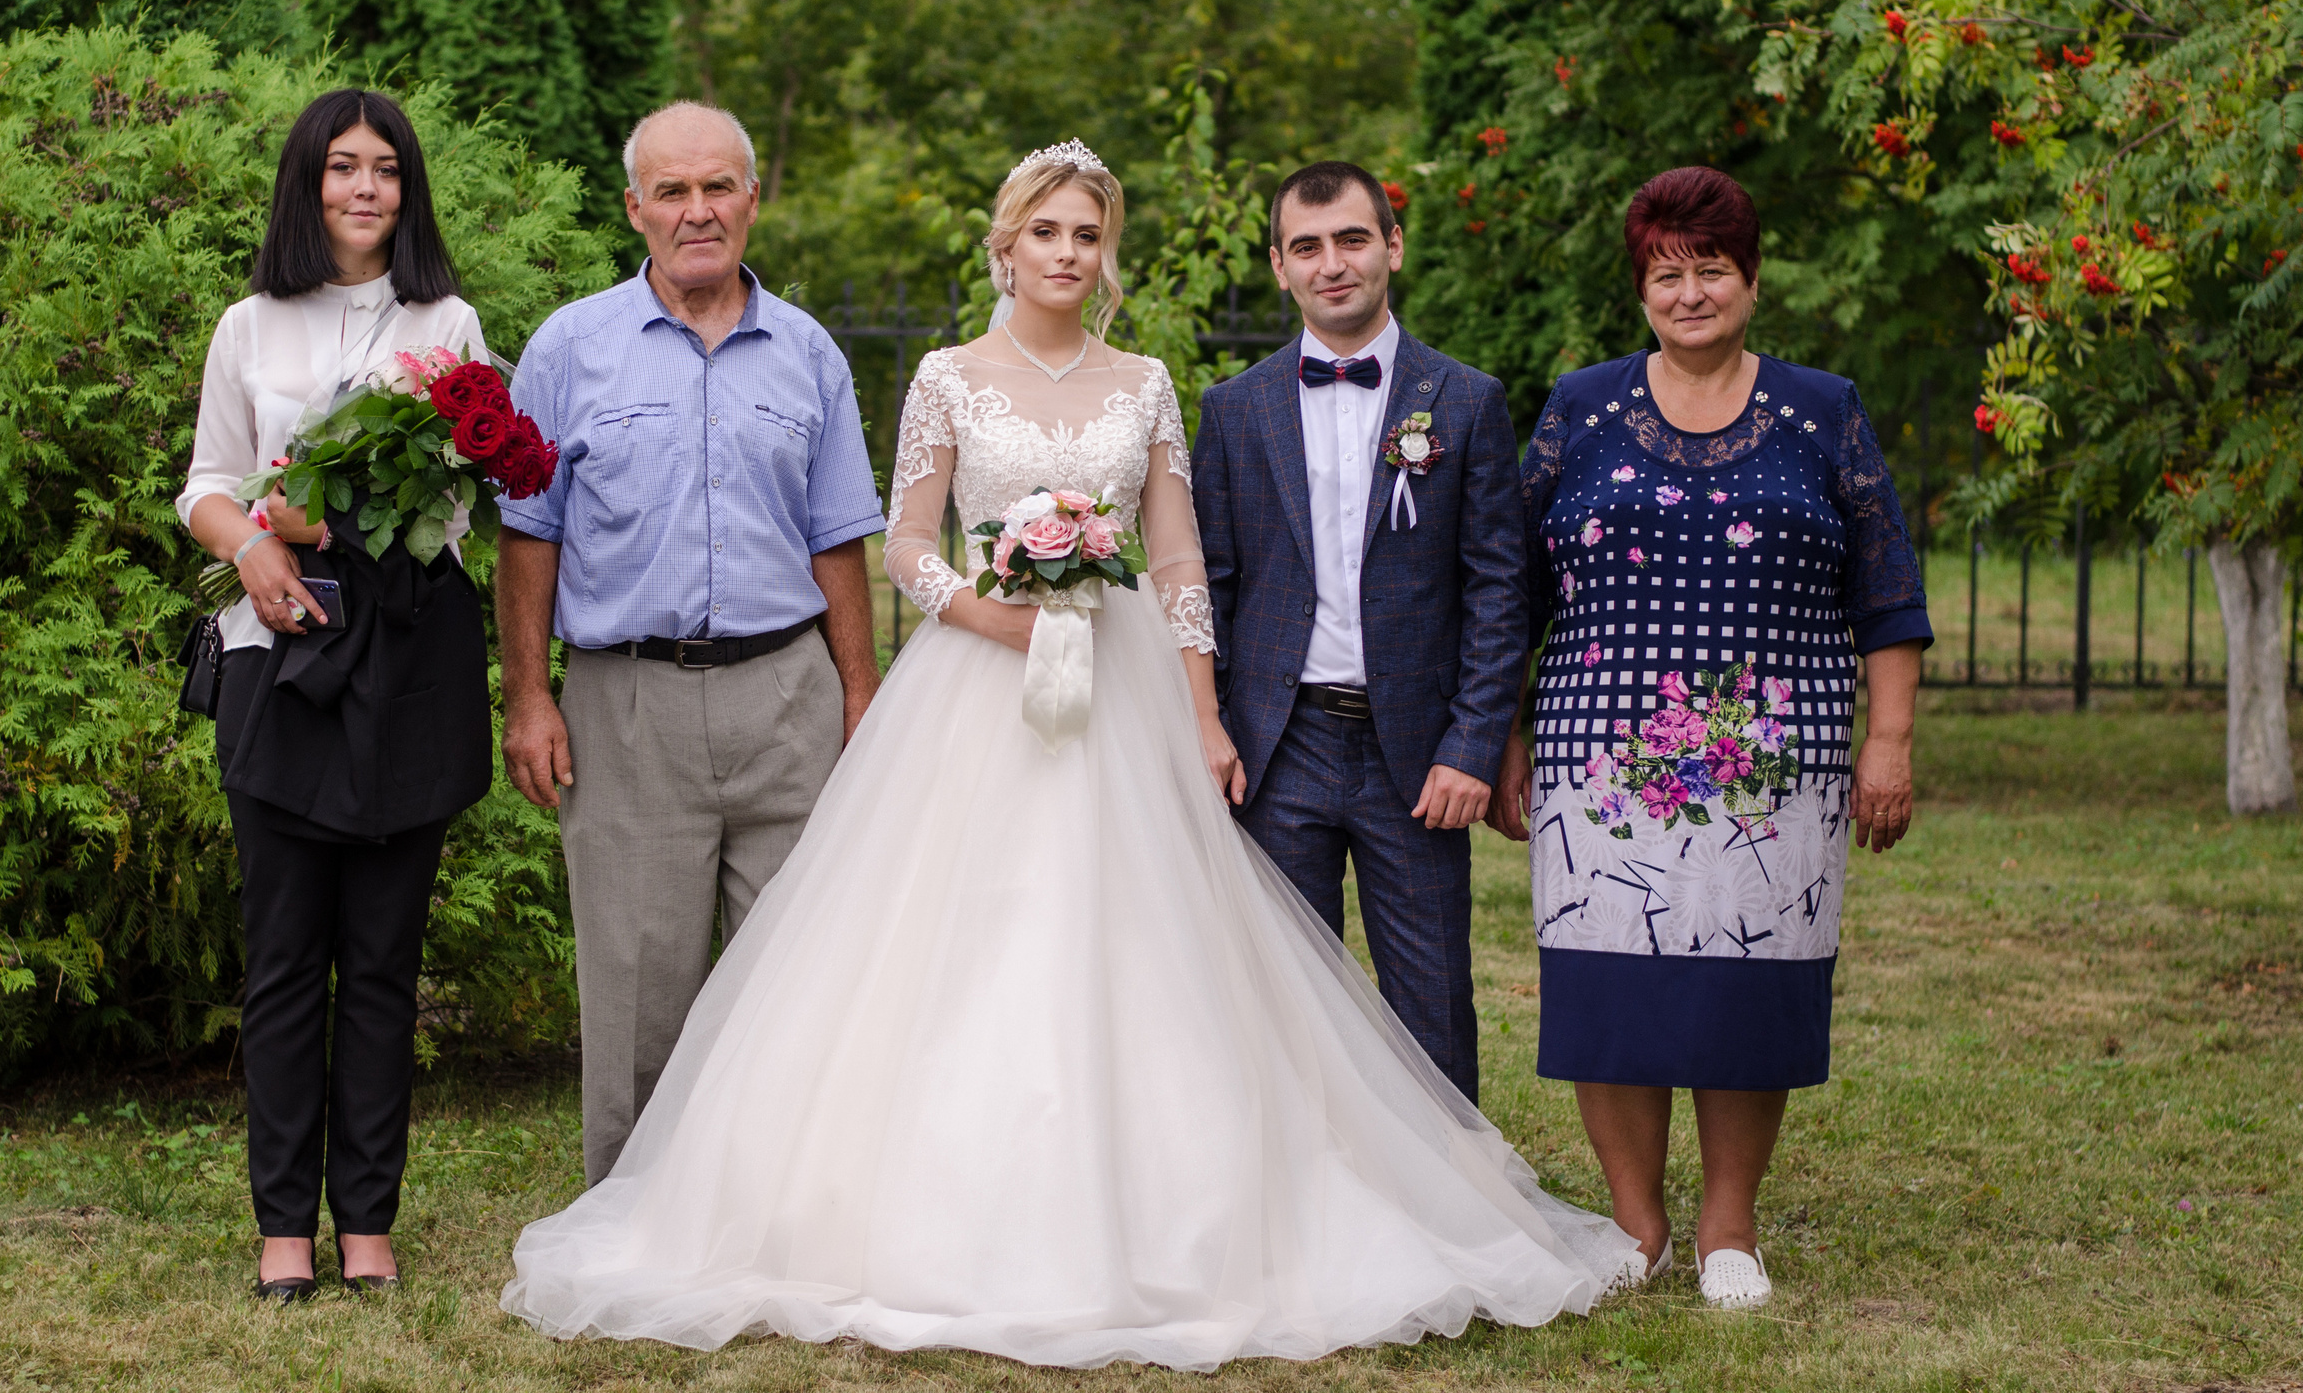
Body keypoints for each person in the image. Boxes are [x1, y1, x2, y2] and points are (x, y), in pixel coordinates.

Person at [498, 141, 1639, 1370]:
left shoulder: (1146, 383)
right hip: (977, 695)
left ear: (1107, 257)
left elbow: (1182, 563)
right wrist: (993, 613)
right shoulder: (943, 376)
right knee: (959, 936)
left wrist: (1201, 713)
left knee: (1138, 938)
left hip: (1122, 694)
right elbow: (907, 543)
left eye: (1086, 236)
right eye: (1045, 232)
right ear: (1006, 245)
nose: (1065, 253)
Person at [1485, 164, 1930, 1309]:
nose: (1688, 293)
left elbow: (1887, 591)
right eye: (1665, 273)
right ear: (1640, 285)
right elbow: (1511, 590)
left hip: (1776, 764)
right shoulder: (1578, 405)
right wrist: (1504, 732)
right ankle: (1636, 1226)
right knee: (1607, 984)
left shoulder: (1821, 408)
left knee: (1750, 982)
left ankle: (1728, 1227)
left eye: (1710, 269)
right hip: (1599, 756)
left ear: (1750, 278)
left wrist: (1890, 741)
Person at [495, 101, 886, 1189]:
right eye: (671, 190)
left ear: (754, 201)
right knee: (634, 988)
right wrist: (529, 697)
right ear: (635, 209)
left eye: (719, 187)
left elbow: (839, 537)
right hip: (626, 708)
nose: (698, 210)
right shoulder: (569, 348)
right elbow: (527, 536)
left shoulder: (809, 352)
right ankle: (629, 1217)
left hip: (787, 701)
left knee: (803, 976)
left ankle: (792, 1212)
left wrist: (861, 700)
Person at [178, 88, 495, 1300]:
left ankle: (366, 1220)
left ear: (407, 192)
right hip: (280, 655)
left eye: (386, 171)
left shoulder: (450, 319)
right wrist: (255, 546)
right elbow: (208, 478)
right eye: (342, 167)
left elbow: (459, 499)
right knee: (282, 957)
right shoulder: (248, 324)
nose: (365, 188)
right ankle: (282, 1229)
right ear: (306, 183)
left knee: (380, 959)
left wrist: (335, 513)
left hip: (407, 658)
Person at [1190, 160, 1527, 1109]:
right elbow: (1208, 584)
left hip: (1415, 756)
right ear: (1278, 266)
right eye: (1307, 247)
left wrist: (1470, 746)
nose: (1331, 264)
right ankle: (1301, 1209)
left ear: (1392, 245)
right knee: (1279, 1001)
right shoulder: (1234, 408)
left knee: (1433, 1005)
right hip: (1275, 745)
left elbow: (1498, 591)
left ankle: (1454, 1208)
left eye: (1350, 239)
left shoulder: (1464, 402)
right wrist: (1209, 723)